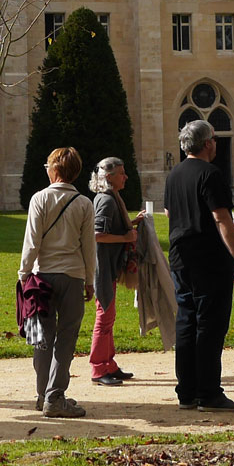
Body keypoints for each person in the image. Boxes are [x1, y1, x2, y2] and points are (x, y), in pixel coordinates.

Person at [165, 120, 234, 412]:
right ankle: (209, 392)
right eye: (213, 138)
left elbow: (168, 211)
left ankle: (187, 391)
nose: (215, 143)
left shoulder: (174, 174)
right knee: (210, 326)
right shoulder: (211, 174)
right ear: (207, 143)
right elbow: (222, 218)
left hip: (180, 257)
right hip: (208, 258)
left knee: (187, 322)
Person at [18, 147, 98, 416]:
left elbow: (32, 242)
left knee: (41, 338)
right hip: (73, 276)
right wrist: (89, 280)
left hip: (42, 277)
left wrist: (23, 274)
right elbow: (89, 247)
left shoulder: (39, 199)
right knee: (65, 338)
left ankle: (44, 395)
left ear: (54, 170)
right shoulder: (84, 203)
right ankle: (55, 396)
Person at [88, 156, 142, 386]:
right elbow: (97, 235)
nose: (126, 176)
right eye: (122, 173)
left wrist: (131, 222)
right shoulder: (107, 200)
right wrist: (125, 237)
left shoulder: (110, 197)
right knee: (104, 316)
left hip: (108, 266)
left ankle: (109, 364)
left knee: (108, 315)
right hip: (103, 267)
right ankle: (99, 368)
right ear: (109, 177)